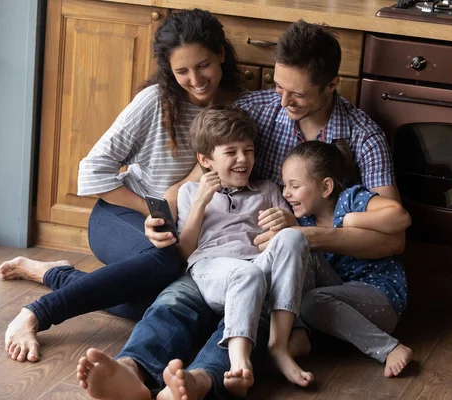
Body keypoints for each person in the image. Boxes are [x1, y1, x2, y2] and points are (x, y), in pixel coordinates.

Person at [74, 19, 410, 400]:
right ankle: (131, 369)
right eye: (279, 87)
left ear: (331, 84)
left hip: (290, 266)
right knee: (176, 298)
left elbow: (394, 238)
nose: (284, 102)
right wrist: (159, 218)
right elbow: (194, 179)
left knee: (250, 309)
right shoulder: (254, 109)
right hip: (222, 250)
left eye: (296, 94)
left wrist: (303, 234)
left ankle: (200, 381)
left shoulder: (364, 136)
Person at [0, 8, 242, 363]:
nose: (196, 79)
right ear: (169, 72)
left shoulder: (236, 105)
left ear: (221, 54)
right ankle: (36, 313)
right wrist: (153, 210)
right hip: (119, 216)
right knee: (166, 261)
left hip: (181, 230)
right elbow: (91, 172)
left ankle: (52, 273)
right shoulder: (156, 101)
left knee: (167, 301)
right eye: (182, 71)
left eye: (203, 65)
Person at [179, 106, 313, 391]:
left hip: (258, 267)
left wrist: (286, 223)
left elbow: (288, 246)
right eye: (231, 152)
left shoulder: (267, 190)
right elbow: (184, 250)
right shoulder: (190, 192)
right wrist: (201, 202)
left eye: (248, 150)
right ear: (206, 160)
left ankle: (279, 346)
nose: (243, 159)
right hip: (213, 270)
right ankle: (240, 363)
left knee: (294, 238)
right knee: (245, 273)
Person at [281, 140, 414, 378]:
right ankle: (300, 334)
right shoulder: (305, 221)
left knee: (312, 302)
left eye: (295, 186)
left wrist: (352, 221)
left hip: (379, 296)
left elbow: (401, 217)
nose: (286, 193)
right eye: (284, 186)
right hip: (339, 293)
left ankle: (390, 348)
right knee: (299, 249)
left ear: (326, 187)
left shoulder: (352, 199)